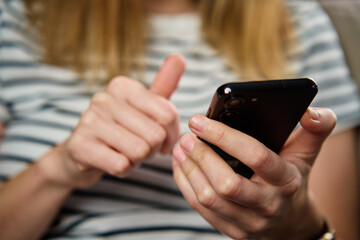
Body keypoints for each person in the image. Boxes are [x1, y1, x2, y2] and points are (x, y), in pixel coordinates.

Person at [0, 0, 359, 239]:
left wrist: (294, 224)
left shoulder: (299, 21)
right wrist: (57, 169)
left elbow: (339, 230)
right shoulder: (16, 17)